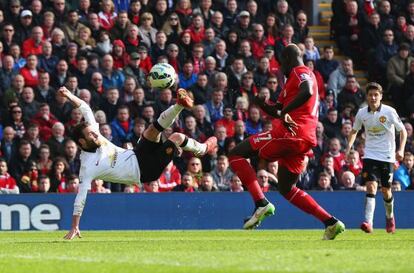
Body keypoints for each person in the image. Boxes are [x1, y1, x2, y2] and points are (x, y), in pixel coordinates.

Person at [61, 87, 217, 240]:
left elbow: (86, 108)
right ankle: (202, 149)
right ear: (82, 141)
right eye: (91, 134)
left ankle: (180, 105)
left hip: (136, 153)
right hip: (144, 171)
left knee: (151, 130)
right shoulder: (87, 167)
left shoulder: (94, 134)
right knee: (176, 137)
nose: (95, 133)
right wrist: (75, 225)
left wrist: (69, 95)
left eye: (93, 131)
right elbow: (80, 198)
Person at [228, 44, 345, 240]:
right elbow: (279, 108)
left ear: (288, 59)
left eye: (281, 63)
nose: (280, 67)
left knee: (236, 154)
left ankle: (260, 203)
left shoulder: (302, 72)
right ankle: (330, 222)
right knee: (286, 188)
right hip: (304, 140)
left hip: (291, 133)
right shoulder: (291, 81)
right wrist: (263, 105)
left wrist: (284, 112)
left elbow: (306, 91)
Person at [345, 82, 407, 234]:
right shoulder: (362, 113)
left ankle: (390, 216)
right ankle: (368, 222)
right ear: (367, 96)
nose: (373, 98)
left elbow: (403, 131)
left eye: (376, 95)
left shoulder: (389, 112)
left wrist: (401, 150)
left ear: (381, 96)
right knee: (371, 186)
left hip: (387, 156)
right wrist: (348, 147)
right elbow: (354, 131)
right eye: (370, 95)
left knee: (386, 191)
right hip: (370, 155)